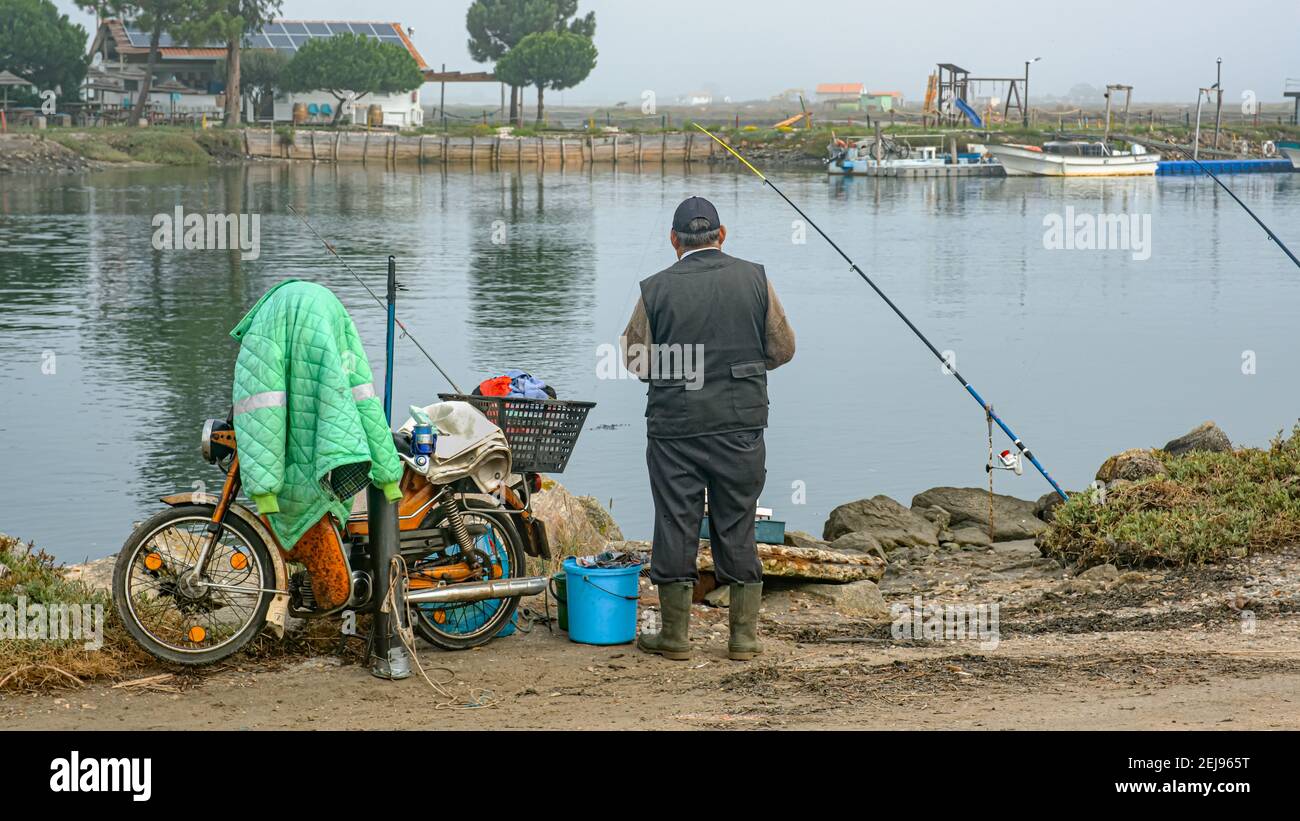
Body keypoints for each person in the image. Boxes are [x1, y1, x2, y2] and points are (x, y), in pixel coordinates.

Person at [621, 196, 795, 661]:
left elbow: (635, 360)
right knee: (736, 520)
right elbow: (782, 349)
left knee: (675, 521)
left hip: (675, 427)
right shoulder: (755, 278)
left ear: (674, 240)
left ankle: (675, 638)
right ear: (722, 235)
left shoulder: (655, 288)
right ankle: (743, 639)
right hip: (740, 423)